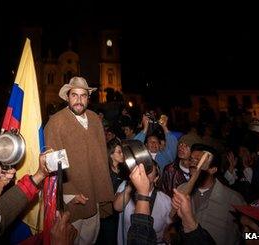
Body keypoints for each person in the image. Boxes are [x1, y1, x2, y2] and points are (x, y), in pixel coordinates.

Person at [44, 76, 114, 244]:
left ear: (88, 98)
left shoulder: (95, 120)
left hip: (94, 195)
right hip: (72, 201)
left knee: (91, 240)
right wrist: (69, 194)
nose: (79, 100)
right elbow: (52, 163)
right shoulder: (56, 122)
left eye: (83, 96)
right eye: (74, 95)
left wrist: (103, 188)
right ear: (67, 97)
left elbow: (101, 158)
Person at [114, 159, 171, 244]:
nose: (145, 172)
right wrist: (131, 185)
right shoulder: (126, 187)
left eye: (149, 169)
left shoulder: (165, 200)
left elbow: (169, 227)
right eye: (143, 169)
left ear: (156, 177)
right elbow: (117, 207)